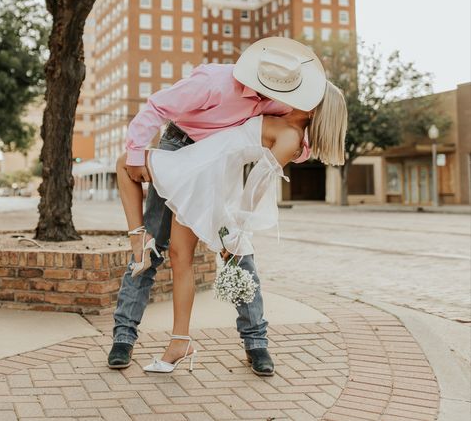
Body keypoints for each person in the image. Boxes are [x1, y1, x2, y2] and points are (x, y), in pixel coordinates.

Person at [107, 37, 347, 376]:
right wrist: (135, 153)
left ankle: (256, 343)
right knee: (161, 250)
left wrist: (238, 225)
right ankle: (125, 336)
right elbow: (156, 107)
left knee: (236, 258)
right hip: (181, 150)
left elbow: (288, 148)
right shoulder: (214, 82)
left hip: (218, 174)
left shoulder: (283, 105)